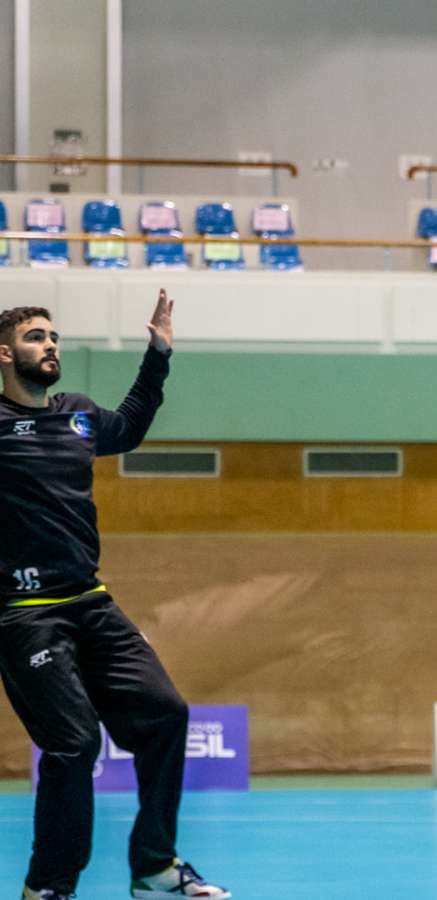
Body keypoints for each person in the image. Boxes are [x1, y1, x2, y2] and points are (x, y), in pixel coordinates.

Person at [0, 293, 230, 900]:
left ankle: (154, 867)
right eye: (34, 337)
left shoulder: (76, 414)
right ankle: (49, 887)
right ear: (4, 354)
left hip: (91, 602)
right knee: (73, 745)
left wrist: (158, 354)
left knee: (165, 715)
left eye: (53, 336)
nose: (50, 345)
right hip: (26, 616)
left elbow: (127, 427)